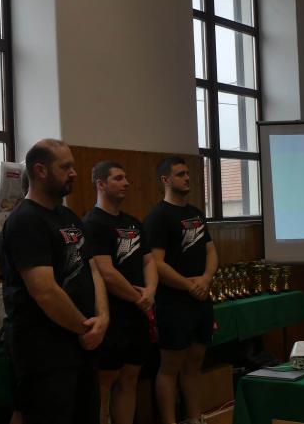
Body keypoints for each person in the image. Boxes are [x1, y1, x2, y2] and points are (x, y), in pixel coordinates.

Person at [0, 139, 110, 424]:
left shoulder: (69, 217)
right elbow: (44, 291)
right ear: (41, 170)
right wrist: (85, 328)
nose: (74, 173)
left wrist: (102, 317)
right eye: (65, 167)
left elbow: (92, 269)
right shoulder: (25, 220)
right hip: (44, 351)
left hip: (81, 345)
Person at [143, 156, 218, 424]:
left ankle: (195, 418)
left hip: (200, 299)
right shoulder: (158, 217)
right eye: (180, 174)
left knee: (194, 365)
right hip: (173, 303)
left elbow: (211, 251)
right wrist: (189, 285)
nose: (187, 178)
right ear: (165, 180)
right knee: (170, 369)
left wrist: (206, 279)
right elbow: (156, 264)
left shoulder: (195, 213)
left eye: (187, 173)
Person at [82, 161, 158, 424]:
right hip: (112, 315)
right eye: (118, 178)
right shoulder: (92, 223)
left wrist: (150, 291)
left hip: (138, 314)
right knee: (104, 385)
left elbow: (149, 261)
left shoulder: (133, 223)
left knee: (130, 380)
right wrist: (140, 299)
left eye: (125, 177)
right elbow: (106, 271)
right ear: (101, 184)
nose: (126, 183)